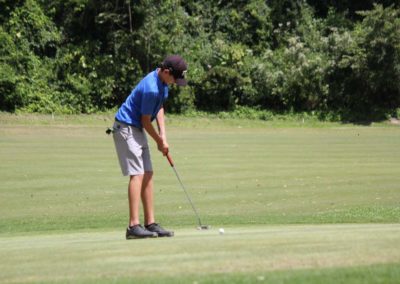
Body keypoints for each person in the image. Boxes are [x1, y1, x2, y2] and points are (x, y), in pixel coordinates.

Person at [112, 55, 188, 239]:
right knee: (137, 174)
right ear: (166, 72)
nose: (175, 83)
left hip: (136, 128)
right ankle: (133, 226)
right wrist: (159, 142)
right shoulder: (151, 88)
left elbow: (159, 107)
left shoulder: (162, 84)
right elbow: (145, 121)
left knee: (148, 173)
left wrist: (163, 134)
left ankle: (150, 223)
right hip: (126, 127)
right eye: (174, 78)